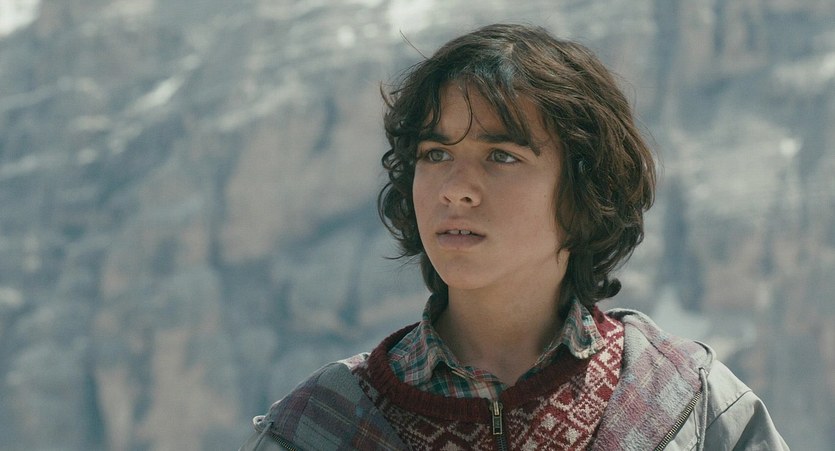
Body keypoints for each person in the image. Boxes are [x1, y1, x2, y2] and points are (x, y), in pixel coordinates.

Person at [240, 23, 788, 450]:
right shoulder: (321, 425)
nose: (457, 189)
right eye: (435, 154)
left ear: (584, 189)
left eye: (502, 156)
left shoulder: (689, 402)